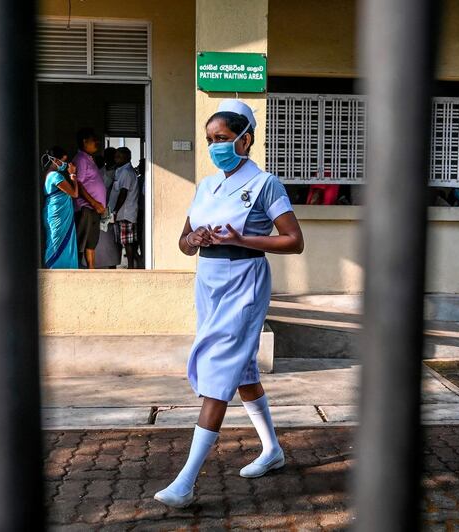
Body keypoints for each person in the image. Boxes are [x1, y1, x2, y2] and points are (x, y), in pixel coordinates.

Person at [154, 100, 304, 508]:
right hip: (209, 281)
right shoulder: (206, 186)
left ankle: (185, 481)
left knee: (219, 369)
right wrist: (195, 239)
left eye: (221, 138)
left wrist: (240, 238)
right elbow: (183, 244)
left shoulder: (265, 184)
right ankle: (272, 450)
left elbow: (294, 240)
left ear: (245, 139)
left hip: (244, 280)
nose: (214, 146)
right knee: (242, 369)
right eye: (209, 140)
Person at [71, 128, 107, 269]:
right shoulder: (80, 159)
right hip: (86, 208)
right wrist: (94, 203)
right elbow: (78, 184)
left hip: (94, 210)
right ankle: (76, 271)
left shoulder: (88, 159)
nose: (97, 143)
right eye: (93, 140)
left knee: (91, 243)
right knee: (81, 242)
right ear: (85, 142)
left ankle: (91, 272)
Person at [41, 147, 79, 269]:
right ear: (56, 160)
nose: (65, 164)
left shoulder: (48, 174)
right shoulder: (55, 176)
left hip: (55, 212)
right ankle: (54, 267)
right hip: (57, 214)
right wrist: (73, 175)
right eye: (63, 161)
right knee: (56, 241)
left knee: (55, 240)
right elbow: (75, 194)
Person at [111, 147, 140, 269]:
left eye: (119, 156)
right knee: (126, 240)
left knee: (128, 241)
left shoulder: (127, 172)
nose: (115, 159)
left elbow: (123, 193)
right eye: (115, 156)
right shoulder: (120, 171)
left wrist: (115, 210)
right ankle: (135, 263)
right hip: (123, 212)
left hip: (126, 212)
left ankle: (131, 267)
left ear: (127, 158)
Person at [94, 146, 122, 268]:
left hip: (113, 207)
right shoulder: (102, 170)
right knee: (104, 237)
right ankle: (104, 264)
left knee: (113, 238)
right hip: (102, 206)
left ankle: (112, 265)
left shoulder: (119, 172)